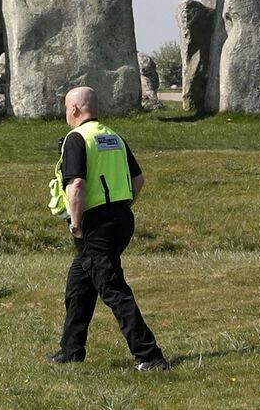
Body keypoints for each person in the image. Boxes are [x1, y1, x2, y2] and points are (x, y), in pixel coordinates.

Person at [46, 85, 171, 371]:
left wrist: (77, 226)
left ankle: (149, 355)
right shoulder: (112, 136)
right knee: (79, 285)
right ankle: (71, 350)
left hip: (95, 225)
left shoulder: (77, 138)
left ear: (75, 109)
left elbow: (76, 185)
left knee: (112, 287)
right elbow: (138, 180)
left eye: (67, 108)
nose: (66, 113)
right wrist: (120, 205)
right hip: (121, 217)